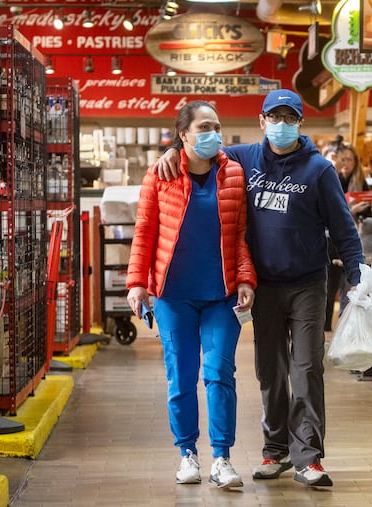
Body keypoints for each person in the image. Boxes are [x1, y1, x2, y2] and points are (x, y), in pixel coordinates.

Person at [154, 89, 364, 487]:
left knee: (305, 369)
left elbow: (343, 230)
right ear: (261, 120)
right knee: (270, 371)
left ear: (300, 123)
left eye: (290, 118)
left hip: (307, 284)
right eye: (274, 116)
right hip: (261, 285)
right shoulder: (242, 158)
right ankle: (276, 450)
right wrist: (169, 154)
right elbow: (198, 153)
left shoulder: (319, 170)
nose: (281, 124)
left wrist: (356, 276)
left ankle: (309, 458)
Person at [125, 100, 256, 489]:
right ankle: (187, 454)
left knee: (220, 374)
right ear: (183, 134)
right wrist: (136, 283)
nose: (211, 133)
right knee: (181, 377)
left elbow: (241, 236)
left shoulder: (233, 173)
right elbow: (145, 231)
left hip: (222, 294)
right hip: (173, 295)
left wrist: (247, 278)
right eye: (203, 127)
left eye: (216, 126)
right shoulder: (160, 174)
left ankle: (221, 458)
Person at [325, 143, 372, 329]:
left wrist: (365, 210)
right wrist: (349, 210)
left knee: (351, 286)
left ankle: (347, 328)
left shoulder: (361, 183)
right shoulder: (329, 178)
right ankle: (325, 326)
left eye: (349, 159)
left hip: (354, 239)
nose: (345, 163)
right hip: (329, 240)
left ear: (355, 162)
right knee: (329, 286)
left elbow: (369, 214)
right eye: (341, 159)